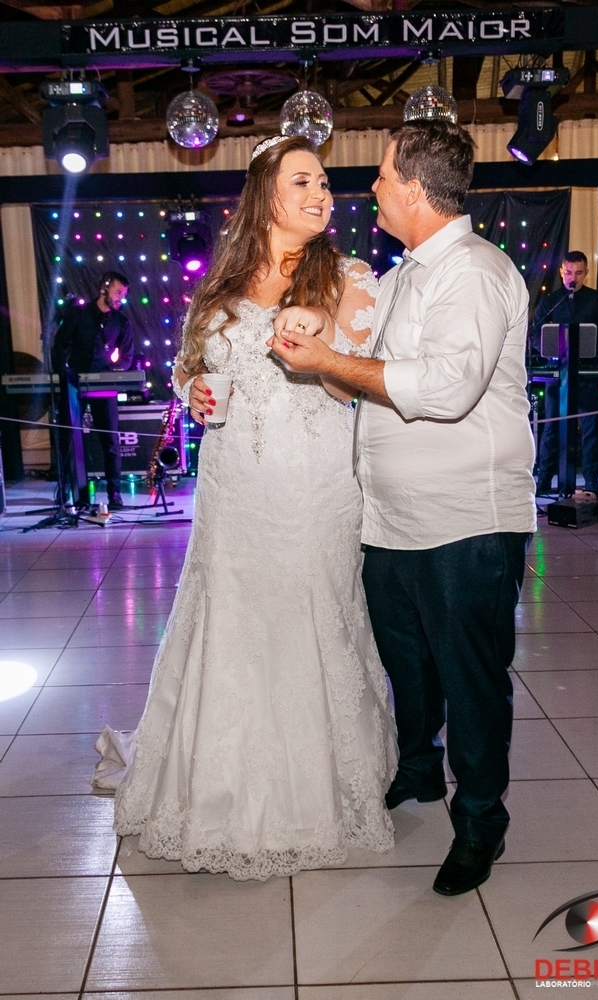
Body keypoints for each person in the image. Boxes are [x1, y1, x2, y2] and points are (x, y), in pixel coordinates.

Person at [92, 135, 397, 880]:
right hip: (232, 487)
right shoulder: (220, 284)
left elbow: (351, 385)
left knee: (307, 618)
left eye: (324, 182)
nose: (321, 194)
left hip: (312, 485)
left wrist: (320, 341)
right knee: (228, 620)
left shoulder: (349, 277)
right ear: (265, 196)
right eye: (303, 182)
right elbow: (187, 368)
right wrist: (192, 392)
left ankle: (312, 794)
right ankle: (215, 785)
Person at [269, 121, 536, 897]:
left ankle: (479, 819)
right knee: (406, 663)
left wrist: (329, 360)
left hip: (464, 518)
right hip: (388, 518)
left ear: (414, 188)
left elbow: (447, 390)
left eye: (383, 176)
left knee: (469, 675)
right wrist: (313, 350)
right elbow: (362, 367)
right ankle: (417, 768)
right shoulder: (400, 277)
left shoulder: (475, 272)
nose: (373, 188)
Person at [531, 251, 598, 497]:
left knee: (590, 429)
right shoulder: (552, 301)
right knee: (551, 428)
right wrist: (548, 351)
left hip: (586, 375)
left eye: (578, 273)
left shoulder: (597, 300)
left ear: (586, 273)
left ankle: (591, 481)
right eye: (568, 272)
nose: (573, 278)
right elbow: (536, 334)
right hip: (558, 375)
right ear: (561, 272)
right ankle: (544, 479)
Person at [51, 271, 133, 509]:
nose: (121, 298)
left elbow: (127, 357)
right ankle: (70, 491)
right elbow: (59, 345)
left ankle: (114, 494)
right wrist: (64, 373)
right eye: (118, 292)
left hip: (104, 384)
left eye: (124, 294)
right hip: (75, 383)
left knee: (110, 440)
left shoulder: (121, 322)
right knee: (69, 438)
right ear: (104, 287)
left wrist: (112, 371)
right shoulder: (79, 314)